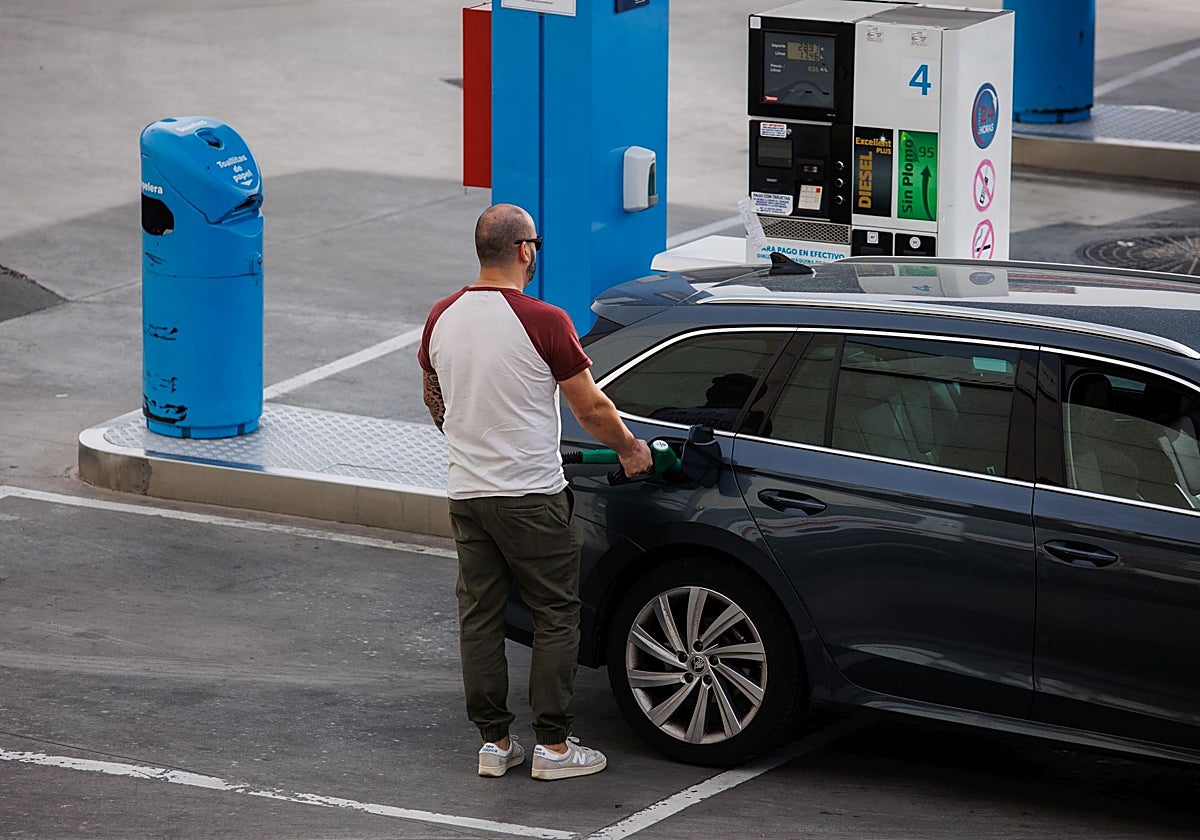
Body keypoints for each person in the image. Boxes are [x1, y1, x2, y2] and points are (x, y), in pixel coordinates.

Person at [417, 203, 653, 781]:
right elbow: (592, 406)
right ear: (525, 251)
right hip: (529, 494)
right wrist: (630, 449)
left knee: (479, 616)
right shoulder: (545, 319)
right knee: (554, 612)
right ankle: (552, 746)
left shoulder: (441, 316)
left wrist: (468, 441)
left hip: (467, 493)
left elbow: (432, 395)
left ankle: (495, 744)